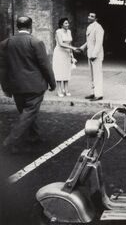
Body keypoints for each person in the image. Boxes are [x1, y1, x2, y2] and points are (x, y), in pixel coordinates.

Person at [0, 17, 56, 154]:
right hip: (35, 86)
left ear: (16, 26)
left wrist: (5, 87)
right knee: (28, 113)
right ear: (30, 26)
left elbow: (2, 68)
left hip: (16, 86)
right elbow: (45, 65)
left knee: (26, 113)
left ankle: (34, 135)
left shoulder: (5, 43)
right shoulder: (35, 42)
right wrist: (52, 83)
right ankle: (10, 141)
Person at [79, 12, 104, 101]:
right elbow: (89, 40)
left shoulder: (98, 28)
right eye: (89, 15)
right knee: (92, 75)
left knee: (97, 74)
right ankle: (93, 93)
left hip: (95, 55)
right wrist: (83, 47)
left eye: (92, 16)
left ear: (96, 19)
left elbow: (98, 43)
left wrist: (94, 54)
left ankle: (99, 94)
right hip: (90, 54)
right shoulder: (89, 27)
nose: (89, 17)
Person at [52, 18, 77, 97]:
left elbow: (69, 44)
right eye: (66, 23)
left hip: (67, 53)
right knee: (59, 71)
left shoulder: (69, 31)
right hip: (59, 53)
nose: (68, 24)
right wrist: (73, 48)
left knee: (66, 71)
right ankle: (59, 89)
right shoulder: (58, 32)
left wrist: (72, 55)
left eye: (68, 23)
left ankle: (66, 89)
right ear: (61, 24)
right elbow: (61, 44)